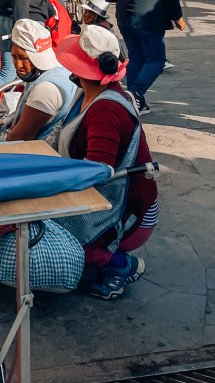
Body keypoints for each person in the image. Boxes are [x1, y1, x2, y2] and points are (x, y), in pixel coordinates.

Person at [53, 25, 158, 300]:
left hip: (130, 211)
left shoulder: (106, 109)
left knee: (56, 234)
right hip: (116, 198)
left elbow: (97, 171)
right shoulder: (88, 93)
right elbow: (62, 131)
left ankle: (121, 266)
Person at [3, 19, 78, 142]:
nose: (18, 65)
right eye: (14, 57)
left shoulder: (46, 90)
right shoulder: (55, 71)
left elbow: (18, 138)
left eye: (23, 58)